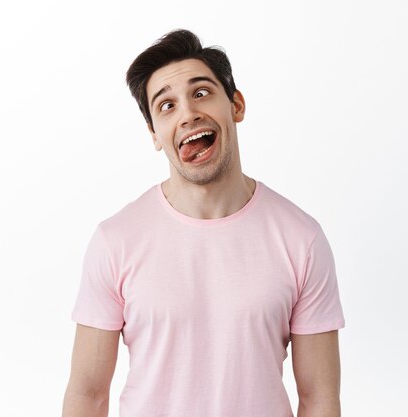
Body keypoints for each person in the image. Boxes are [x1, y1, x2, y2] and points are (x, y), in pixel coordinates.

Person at [62, 29, 345, 417]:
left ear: (236, 106)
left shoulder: (302, 239)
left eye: (200, 93)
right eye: (166, 106)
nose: (187, 114)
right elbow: (87, 395)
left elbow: (319, 398)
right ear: (155, 135)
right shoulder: (116, 241)